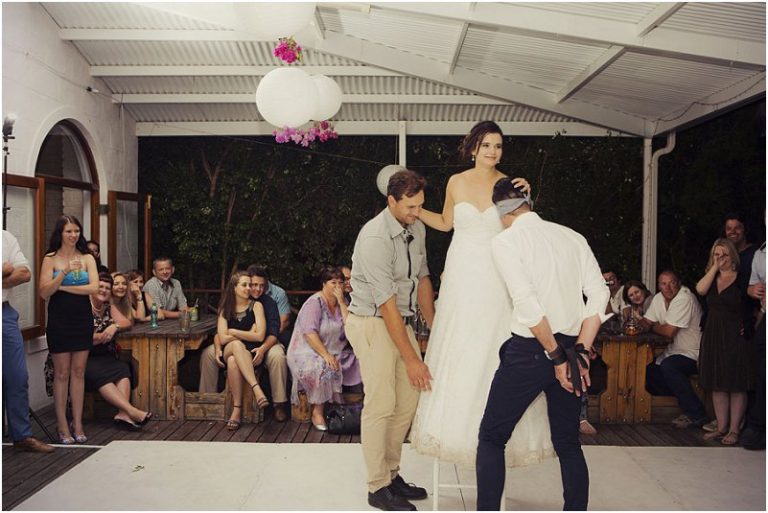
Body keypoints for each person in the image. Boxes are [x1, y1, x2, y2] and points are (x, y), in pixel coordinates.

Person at [410, 120, 553, 468]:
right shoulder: (456, 181)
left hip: (496, 273)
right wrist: (415, 210)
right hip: (461, 274)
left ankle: (494, 433)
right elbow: (446, 223)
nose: (492, 151)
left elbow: (523, 228)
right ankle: (453, 431)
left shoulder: (508, 184)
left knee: (493, 344)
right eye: (486, 145)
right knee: (461, 344)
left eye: (498, 146)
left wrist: (527, 197)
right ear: (473, 147)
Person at [476, 178, 608, 511]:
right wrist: (580, 352)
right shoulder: (572, 236)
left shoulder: (506, 241)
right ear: (528, 204)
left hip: (531, 351)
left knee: (492, 437)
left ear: (502, 212)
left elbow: (527, 303)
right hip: (572, 345)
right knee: (568, 443)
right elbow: (600, 293)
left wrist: (558, 357)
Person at [345, 169, 436, 511]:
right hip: (371, 322)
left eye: (420, 205)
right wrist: (413, 358)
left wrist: (435, 327)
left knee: (408, 401)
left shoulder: (418, 226)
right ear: (391, 201)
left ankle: (391, 473)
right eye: (410, 207)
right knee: (381, 404)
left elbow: (422, 278)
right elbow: (385, 303)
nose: (417, 212)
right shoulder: (374, 237)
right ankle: (377, 486)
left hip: (401, 321)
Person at [199, 267, 290, 422]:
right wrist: (219, 346)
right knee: (208, 353)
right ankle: (206, 399)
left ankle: (278, 404)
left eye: (261, 285)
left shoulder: (265, 303)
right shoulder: (227, 305)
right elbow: (220, 334)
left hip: (265, 343)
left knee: (277, 356)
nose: (255, 289)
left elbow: (272, 333)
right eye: (252, 284)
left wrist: (262, 348)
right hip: (235, 345)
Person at [39, 215, 99, 444]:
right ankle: (62, 423)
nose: (73, 235)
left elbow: (93, 288)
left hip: (82, 318)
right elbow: (44, 292)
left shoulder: (87, 257)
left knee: (79, 371)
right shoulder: (50, 259)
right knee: (62, 372)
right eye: (69, 231)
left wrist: (62, 288)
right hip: (59, 320)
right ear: (60, 233)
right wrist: (63, 273)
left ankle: (78, 422)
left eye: (76, 231)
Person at [287, 266, 361, 431]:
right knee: (324, 366)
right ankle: (317, 412)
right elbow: (309, 333)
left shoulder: (344, 303)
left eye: (340, 282)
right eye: (333, 282)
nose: (337, 286)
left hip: (336, 350)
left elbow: (350, 327)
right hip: (307, 352)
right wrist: (326, 355)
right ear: (324, 284)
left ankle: (357, 409)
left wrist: (341, 302)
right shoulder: (315, 303)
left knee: (361, 360)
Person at [696, 239, 755, 445]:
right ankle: (721, 427)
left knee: (736, 383)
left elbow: (753, 307)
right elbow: (700, 290)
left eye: (724, 255)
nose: (720, 258)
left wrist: (750, 325)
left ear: (733, 257)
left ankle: (734, 429)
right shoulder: (711, 278)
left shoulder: (742, 279)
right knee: (717, 381)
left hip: (735, 334)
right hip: (714, 332)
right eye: (716, 254)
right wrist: (714, 268)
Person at [3, 230, 55, 453]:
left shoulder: (5, 237)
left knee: (17, 376)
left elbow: (25, 273)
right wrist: (4, 270)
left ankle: (22, 436)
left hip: (4, 313)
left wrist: (9, 272)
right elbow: (10, 270)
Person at [640, 271, 708, 429]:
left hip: (695, 353)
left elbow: (669, 331)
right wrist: (638, 325)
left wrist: (653, 326)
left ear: (679, 283)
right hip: (674, 351)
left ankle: (697, 414)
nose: (668, 287)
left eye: (672, 283)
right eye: (663, 284)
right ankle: (678, 405)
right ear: (658, 285)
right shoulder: (658, 298)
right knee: (647, 369)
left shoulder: (684, 298)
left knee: (670, 366)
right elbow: (646, 321)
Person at [86, 273, 153, 430]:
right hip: (83, 356)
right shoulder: (83, 306)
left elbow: (127, 322)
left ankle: (123, 414)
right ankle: (132, 411)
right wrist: (99, 337)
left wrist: (114, 326)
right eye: (100, 287)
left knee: (123, 369)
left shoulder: (108, 306)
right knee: (102, 375)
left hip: (103, 355)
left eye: (107, 288)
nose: (103, 290)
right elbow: (80, 336)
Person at [216, 271, 269, 430]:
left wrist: (233, 332)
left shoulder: (256, 306)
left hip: (248, 354)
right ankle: (256, 388)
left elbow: (260, 336)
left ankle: (237, 410)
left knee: (233, 361)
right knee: (236, 346)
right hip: (229, 349)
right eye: (244, 285)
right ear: (234, 287)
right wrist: (248, 334)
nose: (249, 288)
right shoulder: (225, 309)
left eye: (250, 285)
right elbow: (222, 338)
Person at [743, 241, 766, 450]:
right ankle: (758, 427)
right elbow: (752, 285)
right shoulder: (761, 252)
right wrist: (753, 290)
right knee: (761, 374)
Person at [246, 264, 291, 344]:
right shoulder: (241, 297)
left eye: (261, 285)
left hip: (271, 336)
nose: (258, 289)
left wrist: (267, 340)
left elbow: (283, 323)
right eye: (255, 284)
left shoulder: (272, 300)